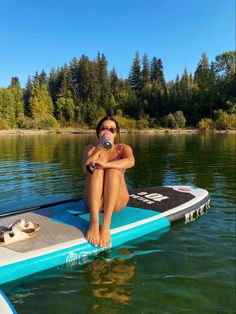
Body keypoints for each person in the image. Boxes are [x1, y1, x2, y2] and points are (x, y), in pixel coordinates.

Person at [81, 116, 135, 248]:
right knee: (96, 170)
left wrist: (107, 165)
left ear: (116, 133)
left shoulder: (123, 148)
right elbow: (84, 169)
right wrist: (99, 149)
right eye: (104, 129)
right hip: (95, 203)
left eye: (112, 129)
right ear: (99, 132)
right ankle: (94, 223)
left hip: (116, 202)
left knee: (112, 170)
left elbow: (131, 162)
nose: (108, 131)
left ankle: (105, 226)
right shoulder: (91, 148)